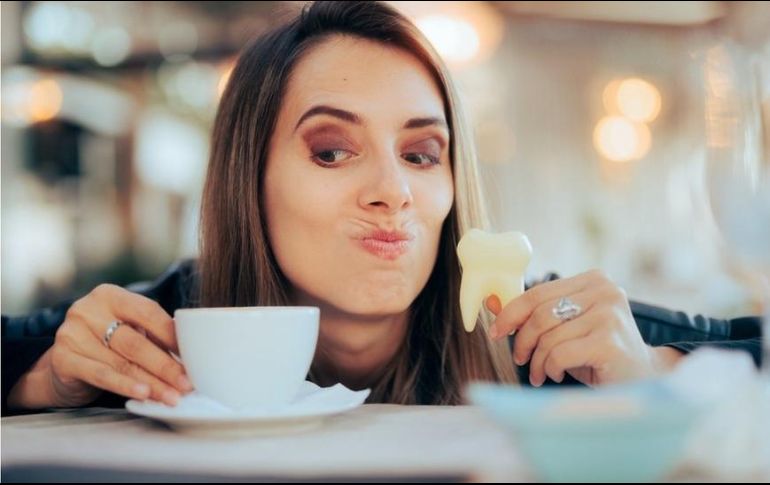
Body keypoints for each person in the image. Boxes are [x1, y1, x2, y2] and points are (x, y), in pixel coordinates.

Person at [2, 1, 761, 415]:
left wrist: (655, 371)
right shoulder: (169, 328)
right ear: (247, 179)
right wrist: (43, 381)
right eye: (332, 151)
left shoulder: (539, 338)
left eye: (421, 154)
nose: (393, 191)